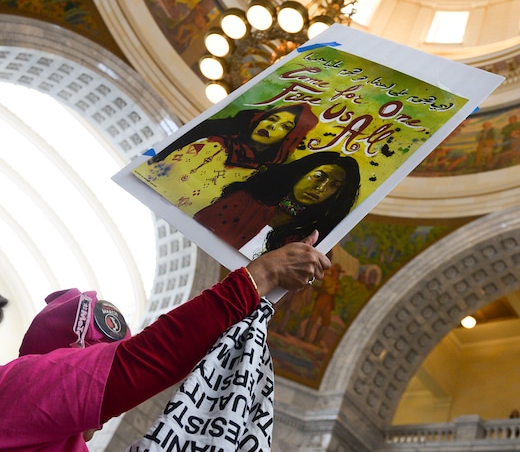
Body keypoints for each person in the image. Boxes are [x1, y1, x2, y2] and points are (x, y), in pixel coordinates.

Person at [0, 232, 330, 450]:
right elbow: (144, 360)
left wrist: (261, 298)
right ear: (67, 361)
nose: (110, 413)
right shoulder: (20, 387)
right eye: (96, 362)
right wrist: (264, 274)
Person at [131, 104, 319, 215]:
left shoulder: (258, 176)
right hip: (144, 198)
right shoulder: (214, 144)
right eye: (272, 118)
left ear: (288, 139)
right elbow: (158, 173)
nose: (271, 125)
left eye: (284, 126)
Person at [194, 151, 361, 255]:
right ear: (301, 173)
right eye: (319, 176)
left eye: (334, 186)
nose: (321, 188)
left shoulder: (304, 238)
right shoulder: (244, 200)